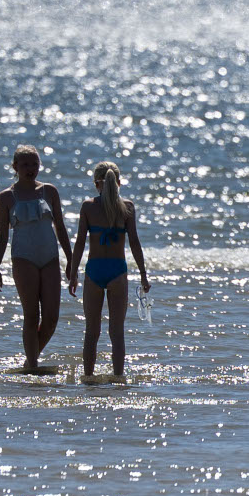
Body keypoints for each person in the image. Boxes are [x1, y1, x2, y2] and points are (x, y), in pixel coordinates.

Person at [0, 145, 74, 373]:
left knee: (51, 318)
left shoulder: (49, 191)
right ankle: (34, 367)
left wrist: (71, 260)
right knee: (31, 315)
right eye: (25, 164)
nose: (30, 168)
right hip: (23, 258)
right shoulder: (6, 197)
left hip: (50, 258)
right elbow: (2, 235)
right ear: (15, 167)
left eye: (34, 164)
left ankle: (30, 362)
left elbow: (61, 228)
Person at [68, 161, 149, 383]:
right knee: (117, 332)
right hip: (117, 271)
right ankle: (118, 379)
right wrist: (143, 274)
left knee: (91, 332)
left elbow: (80, 243)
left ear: (96, 184)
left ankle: (88, 379)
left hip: (94, 270)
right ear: (118, 182)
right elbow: (134, 242)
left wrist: (73, 274)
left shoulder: (88, 207)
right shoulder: (128, 207)